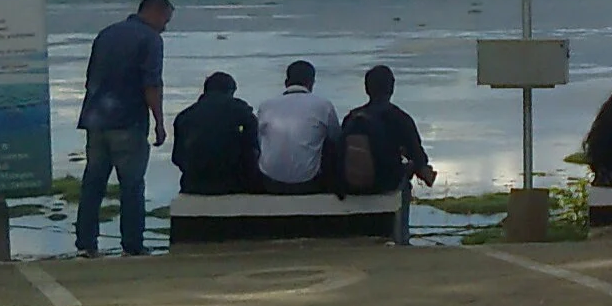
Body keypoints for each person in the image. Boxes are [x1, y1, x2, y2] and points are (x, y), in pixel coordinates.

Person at [75, 0, 173, 256]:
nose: (165, 27)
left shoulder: (106, 34)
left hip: (95, 120)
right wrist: (159, 122)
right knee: (131, 185)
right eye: (165, 20)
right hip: (128, 121)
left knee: (93, 183)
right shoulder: (151, 39)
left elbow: (90, 78)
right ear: (155, 13)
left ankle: (86, 243)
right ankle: (132, 245)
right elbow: (151, 84)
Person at [342, 65, 438, 244]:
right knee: (404, 184)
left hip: (351, 184)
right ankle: (401, 238)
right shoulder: (400, 118)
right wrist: (417, 168)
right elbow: (418, 156)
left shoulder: (352, 117)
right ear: (392, 88)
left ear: (366, 89)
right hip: (385, 182)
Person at [255, 60, 340, 194]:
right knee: (327, 138)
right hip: (308, 182)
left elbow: (259, 140)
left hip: (269, 182)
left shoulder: (266, 106)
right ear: (311, 83)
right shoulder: (323, 105)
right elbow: (336, 138)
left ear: (286, 83)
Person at [171, 72, 260, 195]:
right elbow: (254, 148)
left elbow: (177, 158)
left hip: (193, 184)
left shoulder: (184, 116)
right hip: (234, 184)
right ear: (231, 91)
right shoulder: (242, 112)